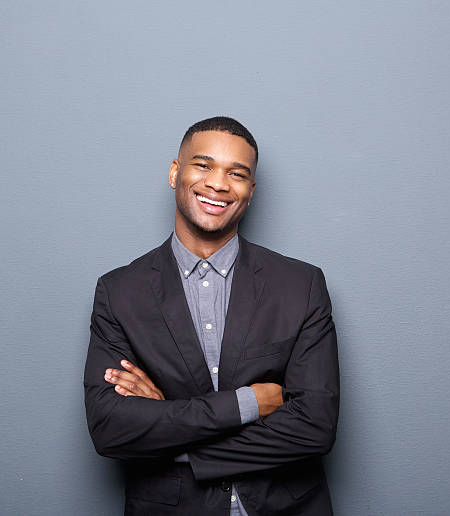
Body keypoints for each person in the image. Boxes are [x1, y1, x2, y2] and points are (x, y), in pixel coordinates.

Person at [83, 116, 340, 515]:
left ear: (250, 191)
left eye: (237, 174)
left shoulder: (302, 284)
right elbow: (111, 430)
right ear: (175, 172)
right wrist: (247, 403)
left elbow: (315, 428)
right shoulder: (119, 292)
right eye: (203, 165)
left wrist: (170, 424)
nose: (218, 184)